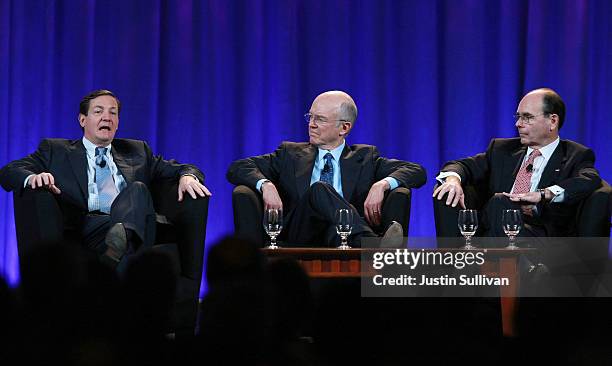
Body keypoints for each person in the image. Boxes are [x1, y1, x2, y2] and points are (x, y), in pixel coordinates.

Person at [0, 89, 211, 266]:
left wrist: (188, 177)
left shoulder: (137, 151)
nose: (107, 117)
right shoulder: (56, 150)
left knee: (137, 189)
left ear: (117, 122)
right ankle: (119, 251)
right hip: (87, 225)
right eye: (98, 111)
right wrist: (32, 178)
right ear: (82, 120)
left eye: (113, 113)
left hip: (133, 220)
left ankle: (116, 249)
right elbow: (10, 170)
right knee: (135, 229)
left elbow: (181, 167)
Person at [227, 90, 426, 247]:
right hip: (299, 231)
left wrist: (382, 184)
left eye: (320, 119)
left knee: (337, 227)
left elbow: (416, 170)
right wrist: (266, 185)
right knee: (320, 188)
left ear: (344, 128)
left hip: (340, 235)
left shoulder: (365, 158)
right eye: (310, 117)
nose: (311, 125)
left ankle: (363, 243)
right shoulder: (289, 154)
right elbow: (238, 167)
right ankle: (372, 244)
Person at [433, 88, 601, 237]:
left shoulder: (575, 155)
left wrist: (542, 194)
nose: (518, 124)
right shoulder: (502, 149)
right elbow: (462, 165)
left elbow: (589, 179)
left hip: (538, 234)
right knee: (495, 202)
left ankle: (481, 266)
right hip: (493, 223)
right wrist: (453, 180)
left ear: (553, 121)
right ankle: (460, 265)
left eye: (527, 118)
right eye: (518, 117)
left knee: (500, 202)